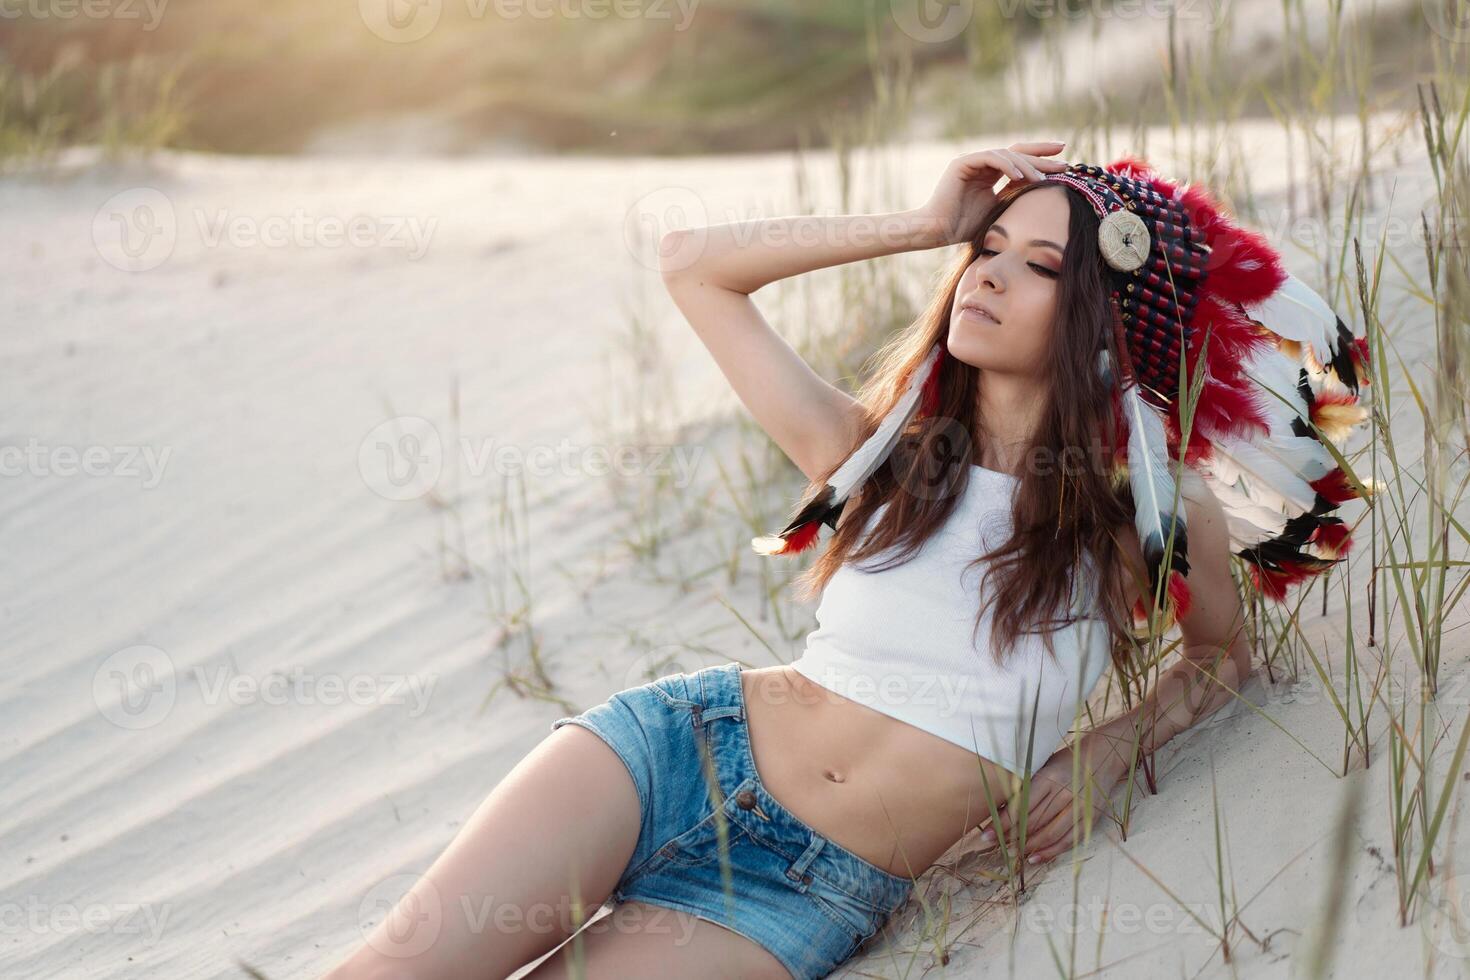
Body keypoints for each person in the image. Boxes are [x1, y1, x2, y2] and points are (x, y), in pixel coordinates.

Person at [323, 142, 1370, 980]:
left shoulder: (1149, 512)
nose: (989, 276)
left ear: (1107, 320)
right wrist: (918, 222)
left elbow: (1222, 660)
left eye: (1039, 266)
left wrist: (1115, 745)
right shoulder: (878, 455)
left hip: (808, 886)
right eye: (985, 248)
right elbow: (693, 263)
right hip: (676, 753)